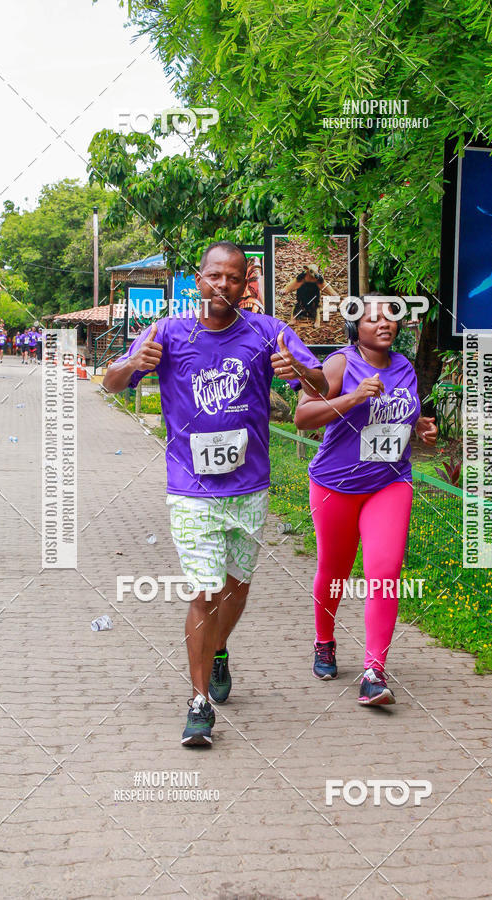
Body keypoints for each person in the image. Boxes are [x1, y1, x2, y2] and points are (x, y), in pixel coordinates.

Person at [103, 240, 328, 746]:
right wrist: (135, 359)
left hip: (249, 486)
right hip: (190, 488)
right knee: (204, 591)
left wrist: (302, 372)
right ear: (198, 279)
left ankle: (217, 648)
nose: (222, 285)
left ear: (246, 283)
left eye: (233, 277)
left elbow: (321, 389)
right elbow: (112, 383)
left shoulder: (269, 333)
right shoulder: (167, 332)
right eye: (214, 276)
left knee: (236, 586)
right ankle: (199, 701)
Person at [294, 298, 437, 706]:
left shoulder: (405, 367)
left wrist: (422, 427)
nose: (383, 323)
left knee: (385, 571)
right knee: (334, 569)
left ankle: (374, 671)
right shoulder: (340, 364)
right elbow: (303, 417)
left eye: (389, 315)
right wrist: (354, 398)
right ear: (355, 328)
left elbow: (403, 415)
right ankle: (324, 641)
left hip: (390, 482)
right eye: (372, 317)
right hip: (336, 484)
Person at [282, 263, 339, 328]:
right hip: (301, 301)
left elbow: (325, 287)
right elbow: (293, 285)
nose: (316, 275)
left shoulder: (318, 279)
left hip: (314, 302)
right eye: (312, 272)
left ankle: (317, 321)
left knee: (316, 309)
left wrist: (333, 293)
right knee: (296, 307)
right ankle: (293, 319)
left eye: (317, 271)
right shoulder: (301, 278)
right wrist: (285, 290)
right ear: (307, 270)